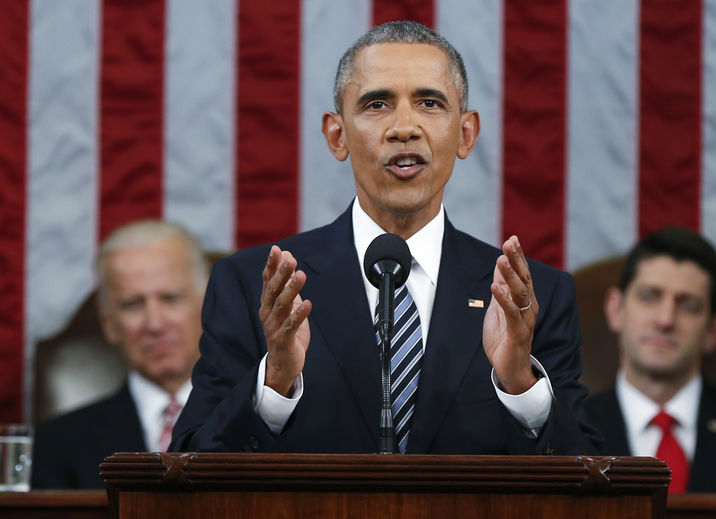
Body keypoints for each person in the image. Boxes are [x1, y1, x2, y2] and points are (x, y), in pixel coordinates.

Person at [171, 21, 598, 456]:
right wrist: (275, 382)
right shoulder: (253, 285)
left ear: (466, 133)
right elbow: (190, 467)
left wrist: (520, 385)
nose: (404, 128)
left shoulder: (533, 296)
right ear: (337, 136)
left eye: (429, 103)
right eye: (377, 104)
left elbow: (591, 482)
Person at [584, 227, 716, 493]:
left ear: (713, 331)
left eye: (688, 306)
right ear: (616, 309)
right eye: (650, 297)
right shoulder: (564, 433)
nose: (665, 320)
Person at [31, 220, 209, 489]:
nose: (155, 324)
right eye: (133, 305)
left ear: (206, 307)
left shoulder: (261, 423)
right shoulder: (55, 444)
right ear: (109, 324)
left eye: (170, 299)